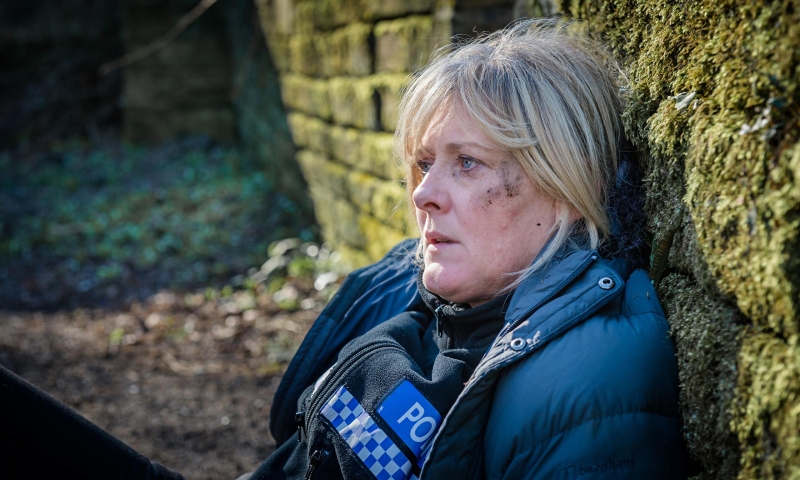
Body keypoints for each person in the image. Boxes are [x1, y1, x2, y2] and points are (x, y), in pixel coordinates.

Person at [0, 18, 687, 480]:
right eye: (424, 164)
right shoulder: (433, 293)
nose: (423, 194)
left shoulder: (591, 380)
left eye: (467, 163)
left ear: (565, 188)